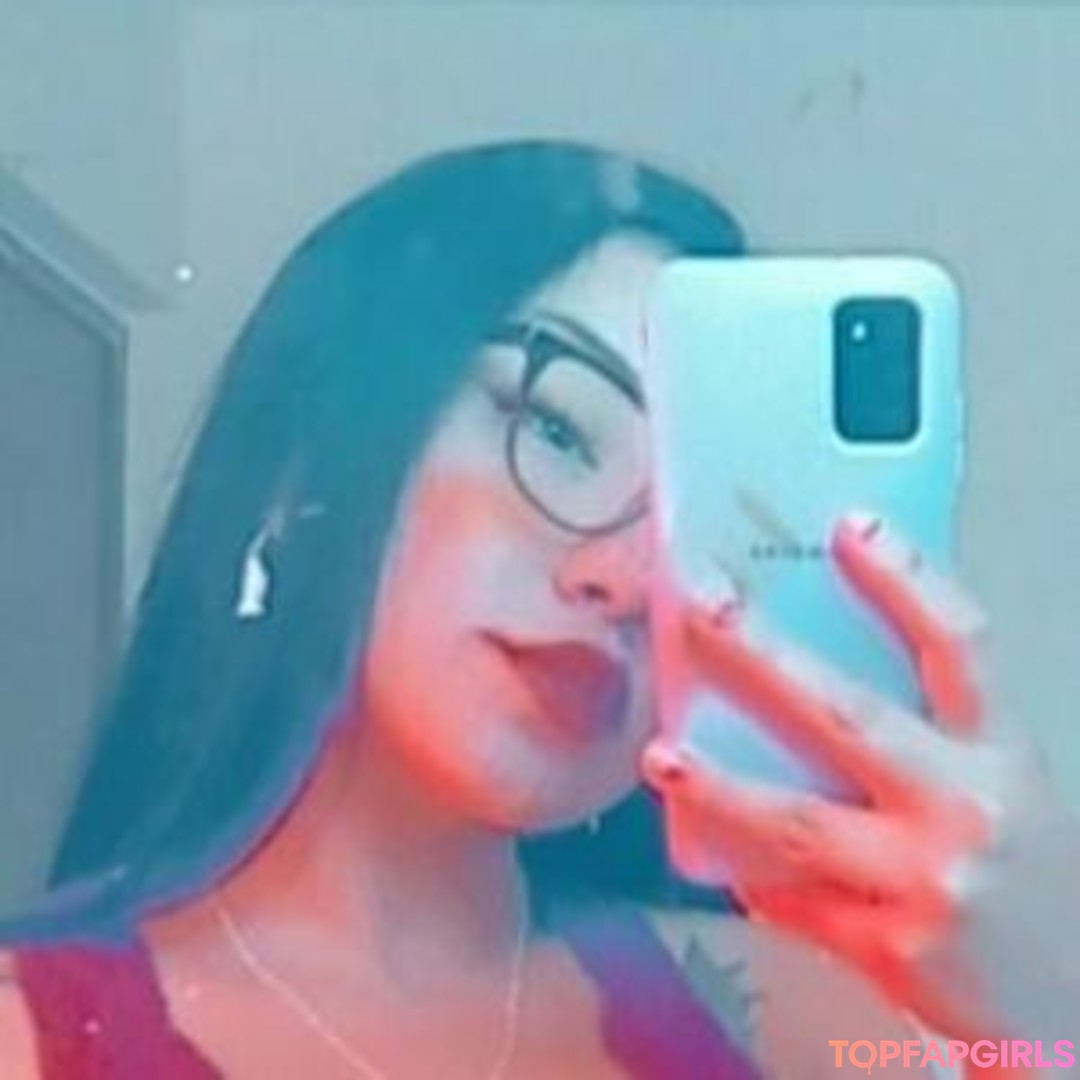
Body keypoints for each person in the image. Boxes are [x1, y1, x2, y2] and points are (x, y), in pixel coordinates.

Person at [0, 141, 1075, 1079]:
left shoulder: (790, 1020)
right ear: (303, 471)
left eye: (690, 517)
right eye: (558, 429)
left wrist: (1051, 1012)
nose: (630, 577)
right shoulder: (33, 1029)